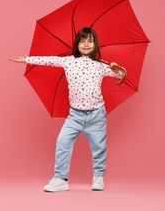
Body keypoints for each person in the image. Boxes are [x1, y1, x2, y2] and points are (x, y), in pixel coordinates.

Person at [10, 27, 126, 192]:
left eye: (90, 41)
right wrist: (27, 59)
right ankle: (60, 179)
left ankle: (99, 177)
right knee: (63, 142)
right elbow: (49, 60)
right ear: (77, 43)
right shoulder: (68, 61)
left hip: (96, 115)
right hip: (75, 115)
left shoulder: (101, 65)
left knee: (99, 147)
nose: (86, 44)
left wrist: (117, 69)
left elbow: (121, 76)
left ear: (95, 45)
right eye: (82, 41)